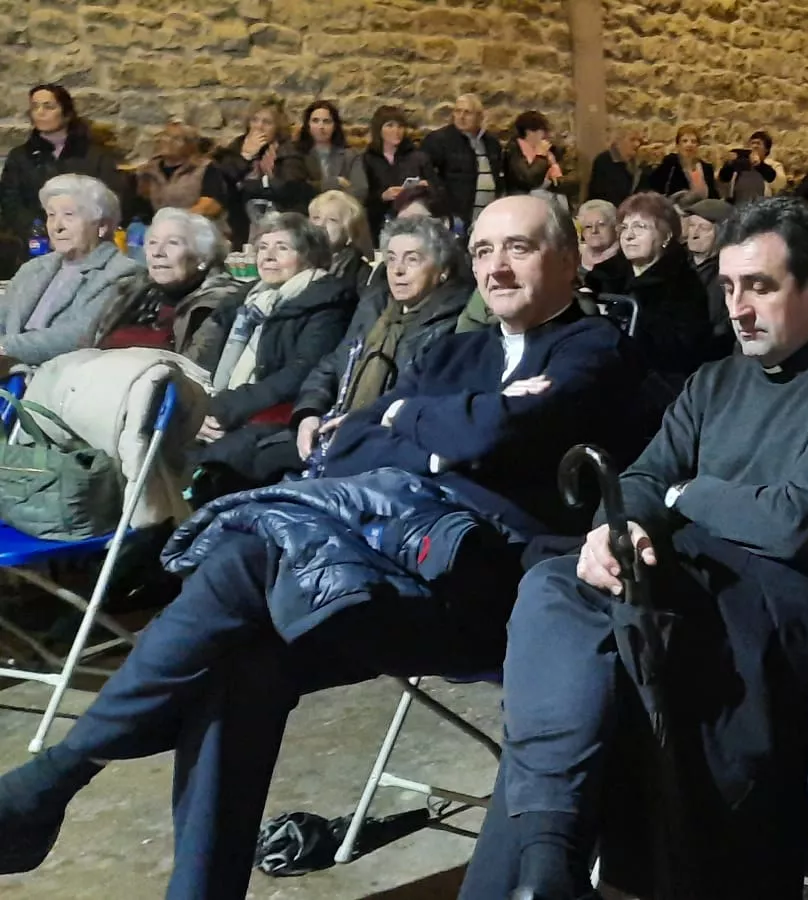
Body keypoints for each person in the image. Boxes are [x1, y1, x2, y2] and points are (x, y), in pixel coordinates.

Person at [0, 195, 652, 900]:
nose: (496, 268)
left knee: (250, 570)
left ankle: (57, 777)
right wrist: (435, 429)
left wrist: (413, 424)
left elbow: (493, 434)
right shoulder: (459, 350)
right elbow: (349, 445)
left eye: (518, 249)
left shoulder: (595, 348)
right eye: (485, 251)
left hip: (495, 593)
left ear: (565, 259)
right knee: (243, 662)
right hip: (382, 568)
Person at [459, 197, 808, 900]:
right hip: (690, 577)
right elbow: (642, 476)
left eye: (760, 286)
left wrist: (680, 499)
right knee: (559, 585)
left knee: (601, 633)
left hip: (789, 608)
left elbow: (794, 523)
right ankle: (548, 865)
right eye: (729, 286)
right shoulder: (717, 379)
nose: (738, 307)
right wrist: (623, 528)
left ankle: (543, 859)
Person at [187, 212, 359, 487]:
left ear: (309, 257)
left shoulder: (327, 302)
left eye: (282, 248)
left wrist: (223, 408)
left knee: (206, 469)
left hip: (272, 417)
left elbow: (301, 371)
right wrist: (193, 409)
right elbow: (203, 359)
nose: (268, 256)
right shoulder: (246, 301)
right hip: (221, 409)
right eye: (263, 248)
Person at [292, 215, 475, 469]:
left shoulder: (452, 322)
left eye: (412, 259)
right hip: (332, 426)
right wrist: (308, 412)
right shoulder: (376, 306)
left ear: (443, 270)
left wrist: (359, 422)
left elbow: (423, 400)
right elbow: (333, 363)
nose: (397, 270)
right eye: (391, 259)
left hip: (386, 444)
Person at [0, 173, 147, 365]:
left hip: (55, 377)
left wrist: (6, 349)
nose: (56, 226)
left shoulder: (122, 273)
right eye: (51, 215)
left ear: (102, 226)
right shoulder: (34, 268)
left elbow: (81, 335)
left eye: (69, 215)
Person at [585, 192, 722, 383]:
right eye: (624, 228)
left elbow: (683, 352)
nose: (629, 236)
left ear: (666, 236)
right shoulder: (601, 277)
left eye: (640, 227)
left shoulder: (684, 286)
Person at [1, 84, 131, 279]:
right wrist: (39, 231)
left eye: (48, 106)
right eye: (35, 107)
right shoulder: (21, 156)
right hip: (35, 244)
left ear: (67, 113)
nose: (40, 113)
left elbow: (111, 197)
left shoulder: (95, 155)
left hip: (87, 242)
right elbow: (11, 201)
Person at [92, 207, 245, 353]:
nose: (158, 253)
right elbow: (90, 346)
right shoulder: (131, 290)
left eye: (173, 243)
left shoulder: (217, 304)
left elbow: (193, 370)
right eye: (152, 243)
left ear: (203, 258)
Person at [211, 99, 317, 249]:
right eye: (255, 120)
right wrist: (245, 156)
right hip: (242, 222)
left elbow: (290, 187)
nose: (259, 127)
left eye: (267, 122)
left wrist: (248, 186)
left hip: (281, 218)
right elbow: (222, 184)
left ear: (277, 127)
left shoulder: (289, 149)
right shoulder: (237, 146)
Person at [420, 94, 506, 228]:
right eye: (458, 111)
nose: (461, 117)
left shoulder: (491, 143)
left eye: (467, 112)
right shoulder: (439, 141)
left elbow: (499, 176)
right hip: (454, 217)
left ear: (479, 117)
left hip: (486, 216)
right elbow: (428, 176)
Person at [359, 106, 440, 242]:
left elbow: (439, 192)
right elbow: (363, 197)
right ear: (379, 129)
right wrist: (382, 196)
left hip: (415, 222)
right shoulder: (367, 159)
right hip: (380, 224)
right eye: (390, 126)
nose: (396, 131)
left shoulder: (418, 157)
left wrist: (425, 187)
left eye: (400, 126)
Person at [132, 123, 229, 222]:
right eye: (165, 136)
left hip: (197, 227)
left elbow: (210, 205)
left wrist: (178, 221)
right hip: (158, 229)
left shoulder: (205, 168)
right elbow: (140, 206)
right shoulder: (148, 171)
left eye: (176, 139)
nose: (167, 141)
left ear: (190, 145)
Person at [297, 100, 366, 200]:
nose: (321, 127)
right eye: (315, 121)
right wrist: (336, 183)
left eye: (327, 121)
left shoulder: (350, 155)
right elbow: (299, 188)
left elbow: (361, 191)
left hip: (342, 210)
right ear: (308, 126)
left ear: (334, 126)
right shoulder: (298, 154)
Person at [308, 189, 374, 290]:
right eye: (316, 218)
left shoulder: (361, 275)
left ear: (350, 232)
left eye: (332, 219)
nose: (321, 225)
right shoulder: (296, 262)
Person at [682, 198, 731, 329]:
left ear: (722, 233)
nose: (694, 234)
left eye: (703, 228)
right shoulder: (676, 262)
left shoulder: (726, 274)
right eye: (691, 225)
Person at [503, 111, 568, 197]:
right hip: (521, 201)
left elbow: (561, 182)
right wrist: (541, 156)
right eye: (541, 131)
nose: (545, 135)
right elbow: (529, 179)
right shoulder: (515, 150)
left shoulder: (551, 151)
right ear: (529, 132)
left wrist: (553, 165)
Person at [647, 124, 716, 200]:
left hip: (703, 209)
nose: (689, 145)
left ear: (698, 145)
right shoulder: (671, 163)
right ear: (678, 145)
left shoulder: (707, 168)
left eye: (693, 141)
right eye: (684, 141)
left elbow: (713, 196)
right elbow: (654, 185)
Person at [588, 128, 646, 207]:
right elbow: (605, 195)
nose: (637, 144)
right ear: (619, 141)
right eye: (632, 140)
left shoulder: (637, 163)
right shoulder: (604, 161)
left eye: (639, 140)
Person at [577, 198, 621, 272]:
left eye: (601, 225)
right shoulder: (575, 255)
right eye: (588, 226)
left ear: (615, 228)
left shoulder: (624, 260)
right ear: (583, 232)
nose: (594, 231)